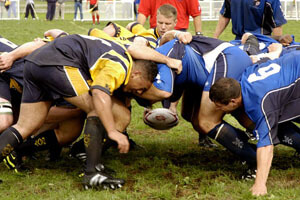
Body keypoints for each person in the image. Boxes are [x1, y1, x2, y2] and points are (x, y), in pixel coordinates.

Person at [0, 33, 158, 189]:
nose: (139, 93)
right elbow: (99, 93)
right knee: (98, 108)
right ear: (136, 74)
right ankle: (92, 173)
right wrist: (112, 131)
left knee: (24, 127)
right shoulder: (121, 64)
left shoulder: (117, 49)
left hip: (35, 61)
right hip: (57, 62)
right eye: (141, 88)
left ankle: (92, 170)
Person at [209, 50, 300, 196]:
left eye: (220, 106)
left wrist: (259, 184)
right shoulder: (243, 78)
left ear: (233, 101)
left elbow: (266, 146)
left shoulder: (260, 103)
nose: (218, 109)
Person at [0, 35, 85, 170]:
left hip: (27, 83)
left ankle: (21, 147)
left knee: (71, 131)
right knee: (7, 122)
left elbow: (39, 44)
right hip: (20, 81)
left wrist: (12, 55)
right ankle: (14, 143)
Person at [214, 0, 287, 40]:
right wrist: (215, 37)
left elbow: (276, 24)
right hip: (238, 42)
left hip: (261, 42)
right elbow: (225, 15)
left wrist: (277, 46)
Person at [137, 0, 202, 35]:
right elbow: (143, 13)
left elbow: (196, 13)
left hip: (179, 31)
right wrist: (137, 32)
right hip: (157, 31)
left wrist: (198, 33)